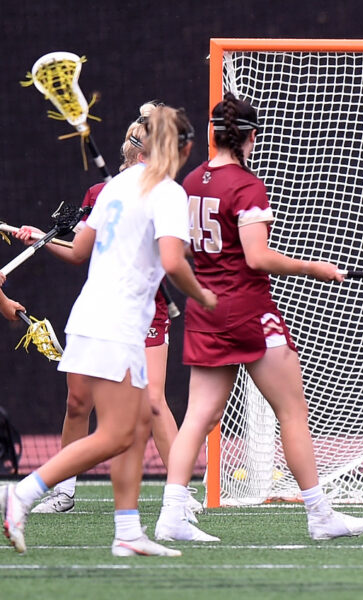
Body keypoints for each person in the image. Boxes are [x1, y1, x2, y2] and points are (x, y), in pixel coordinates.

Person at [154, 92, 363, 542]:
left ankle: (172, 512)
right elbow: (257, 257)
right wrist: (314, 268)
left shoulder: (190, 181)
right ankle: (318, 513)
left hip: (206, 308)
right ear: (251, 137)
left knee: (198, 413)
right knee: (292, 409)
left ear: (212, 134)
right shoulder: (246, 185)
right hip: (247, 310)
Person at [0, 105, 217, 556]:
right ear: (184, 147)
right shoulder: (168, 192)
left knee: (136, 426)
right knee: (118, 433)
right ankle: (21, 493)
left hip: (96, 316)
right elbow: (174, 261)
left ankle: (128, 532)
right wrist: (207, 296)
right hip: (117, 324)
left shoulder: (116, 185)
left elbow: (79, 250)